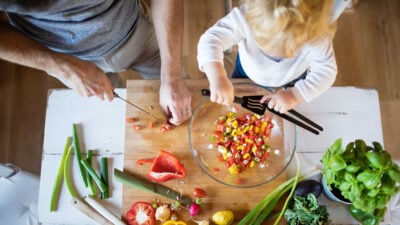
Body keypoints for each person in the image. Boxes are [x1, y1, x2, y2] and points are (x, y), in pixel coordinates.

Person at [0, 0, 191, 126]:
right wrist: (62, 67)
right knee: (116, 119)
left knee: (181, 100)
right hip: (62, 56)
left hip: (134, 30)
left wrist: (172, 76)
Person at [197, 0, 337, 113]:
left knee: (286, 105)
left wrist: (295, 95)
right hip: (246, 72)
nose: (276, 56)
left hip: (292, 79)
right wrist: (218, 77)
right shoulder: (247, 16)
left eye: (290, 50)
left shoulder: (316, 35)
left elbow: (326, 70)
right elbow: (211, 40)